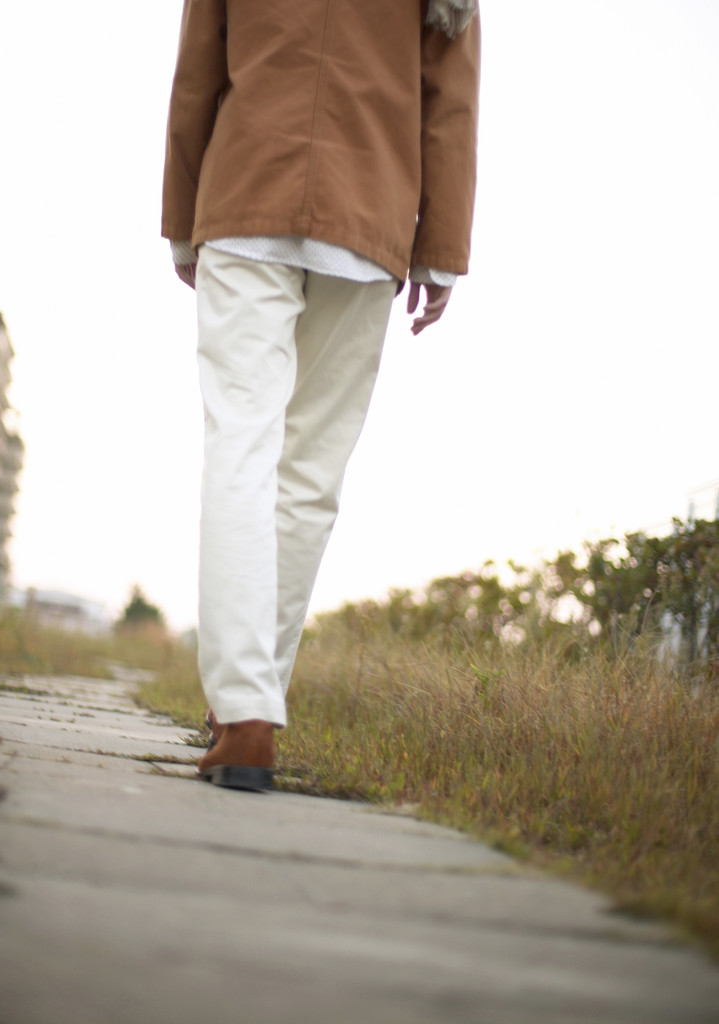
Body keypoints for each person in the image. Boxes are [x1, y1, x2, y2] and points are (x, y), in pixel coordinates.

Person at [162, 0, 481, 790]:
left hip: (246, 187)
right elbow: (449, 97)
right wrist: (440, 249)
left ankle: (244, 710)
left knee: (240, 444)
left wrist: (182, 215)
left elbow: (199, 67)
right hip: (369, 211)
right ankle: (250, 710)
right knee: (308, 475)